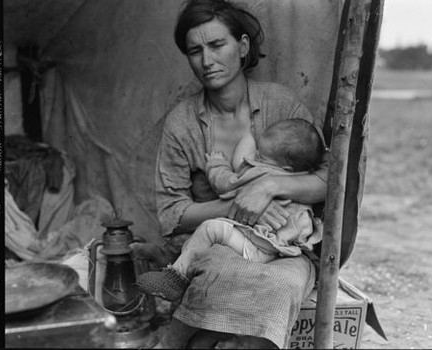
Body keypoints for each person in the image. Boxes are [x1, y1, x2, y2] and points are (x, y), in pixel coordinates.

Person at [136, 0, 329, 347]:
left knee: (281, 287)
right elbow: (171, 214)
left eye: (217, 45)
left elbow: (329, 181)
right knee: (220, 276)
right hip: (219, 243)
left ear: (242, 47)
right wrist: (237, 206)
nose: (207, 61)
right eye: (195, 51)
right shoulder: (183, 122)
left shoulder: (282, 105)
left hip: (285, 247)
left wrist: (268, 186)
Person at [138, 119, 325, 302]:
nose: (254, 157)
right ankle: (171, 260)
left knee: (210, 229)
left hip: (259, 248)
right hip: (282, 248)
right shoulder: (301, 179)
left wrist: (216, 164)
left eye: (260, 156)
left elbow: (226, 183)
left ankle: (175, 278)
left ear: (285, 167)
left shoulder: (262, 173)